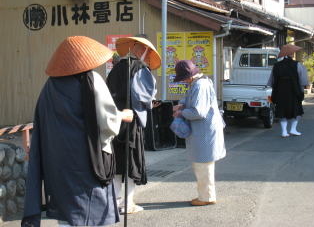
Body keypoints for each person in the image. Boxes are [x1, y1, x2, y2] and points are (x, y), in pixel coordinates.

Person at [22, 36, 134, 227]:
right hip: (88, 161)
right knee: (92, 209)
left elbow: (41, 122)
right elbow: (107, 122)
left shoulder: (49, 87)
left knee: (67, 212)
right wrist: (124, 115)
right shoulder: (91, 80)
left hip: (58, 161)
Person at [106, 37, 161, 214]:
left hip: (114, 121)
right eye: (146, 52)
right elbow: (144, 97)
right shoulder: (140, 69)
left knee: (116, 163)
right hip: (132, 122)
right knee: (132, 164)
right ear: (141, 51)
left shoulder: (115, 69)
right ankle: (128, 203)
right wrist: (151, 103)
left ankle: (113, 202)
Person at [172, 60, 226, 206]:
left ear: (189, 76)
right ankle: (206, 195)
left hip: (204, 131)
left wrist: (181, 112)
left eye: (183, 78)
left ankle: (206, 197)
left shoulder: (199, 85)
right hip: (204, 130)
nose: (183, 81)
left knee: (203, 165)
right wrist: (182, 105)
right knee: (203, 164)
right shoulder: (199, 82)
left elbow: (198, 111)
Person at [267, 44, 309, 137]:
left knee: (282, 112)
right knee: (296, 111)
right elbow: (303, 80)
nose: (293, 54)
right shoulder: (297, 65)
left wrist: (274, 91)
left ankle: (284, 131)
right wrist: (302, 91)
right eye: (293, 53)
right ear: (291, 54)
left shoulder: (276, 66)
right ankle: (293, 129)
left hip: (280, 93)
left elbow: (272, 81)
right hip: (294, 92)